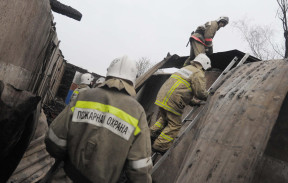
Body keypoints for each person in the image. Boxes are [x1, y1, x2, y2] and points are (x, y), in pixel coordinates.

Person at [45, 55, 152, 183]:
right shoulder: (137, 112)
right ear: (133, 79)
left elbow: (54, 140)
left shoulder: (83, 96)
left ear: (108, 73)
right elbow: (140, 171)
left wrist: (65, 158)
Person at [150, 53, 211, 153]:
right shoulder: (198, 73)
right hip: (173, 100)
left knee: (165, 119)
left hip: (162, 97)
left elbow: (181, 88)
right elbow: (200, 93)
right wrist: (208, 96)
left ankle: (150, 134)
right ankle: (159, 146)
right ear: (204, 64)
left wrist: (193, 102)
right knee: (175, 124)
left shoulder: (185, 68)